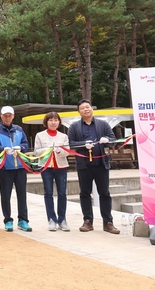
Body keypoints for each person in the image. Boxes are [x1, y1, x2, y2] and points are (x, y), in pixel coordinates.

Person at [68, 99, 120, 234]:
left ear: (92, 108)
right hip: (83, 165)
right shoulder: (74, 127)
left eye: (88, 107)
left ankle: (108, 222)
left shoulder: (103, 124)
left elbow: (113, 140)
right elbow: (71, 144)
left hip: (101, 164)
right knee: (85, 193)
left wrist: (107, 141)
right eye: (82, 108)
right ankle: (87, 221)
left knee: (105, 193)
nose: (86, 109)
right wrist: (83, 144)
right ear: (79, 111)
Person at [0, 106, 31, 232]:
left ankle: (23, 220)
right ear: (1, 116)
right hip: (4, 167)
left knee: (22, 194)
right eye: (5, 115)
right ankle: (8, 220)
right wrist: (2, 149)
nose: (7, 118)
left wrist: (20, 147)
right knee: (5, 194)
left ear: (13, 116)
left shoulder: (19, 129)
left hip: (19, 166)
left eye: (9, 115)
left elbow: (26, 144)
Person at [34, 112, 71, 231]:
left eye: (56, 120)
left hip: (61, 167)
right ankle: (51, 219)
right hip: (46, 167)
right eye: (50, 120)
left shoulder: (63, 136)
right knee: (48, 193)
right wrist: (49, 149)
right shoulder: (39, 135)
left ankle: (62, 219)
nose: (53, 122)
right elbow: (36, 152)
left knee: (62, 193)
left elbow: (68, 152)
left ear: (59, 122)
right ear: (46, 122)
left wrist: (60, 151)